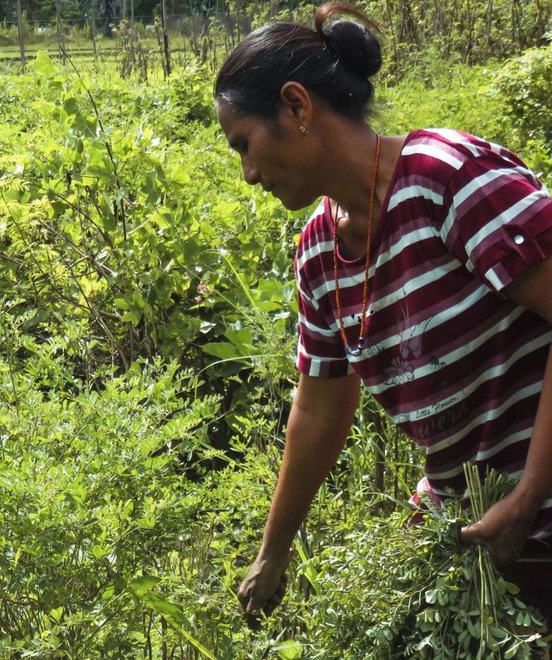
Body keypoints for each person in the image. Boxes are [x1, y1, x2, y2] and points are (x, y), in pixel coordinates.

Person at [214, 1, 552, 619]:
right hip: (475, 539)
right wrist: (273, 553)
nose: (248, 174)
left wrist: (529, 494)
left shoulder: (446, 178)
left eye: (245, 144)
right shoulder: (319, 255)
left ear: (297, 107)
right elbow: (319, 411)